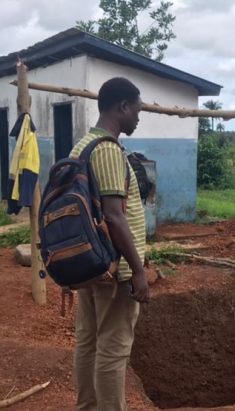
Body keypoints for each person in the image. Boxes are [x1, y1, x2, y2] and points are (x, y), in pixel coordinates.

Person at [71, 77, 151, 411]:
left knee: (88, 342)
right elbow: (115, 217)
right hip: (113, 269)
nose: (138, 117)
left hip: (90, 263)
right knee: (113, 349)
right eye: (137, 109)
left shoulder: (83, 145)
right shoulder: (107, 151)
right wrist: (138, 270)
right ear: (122, 107)